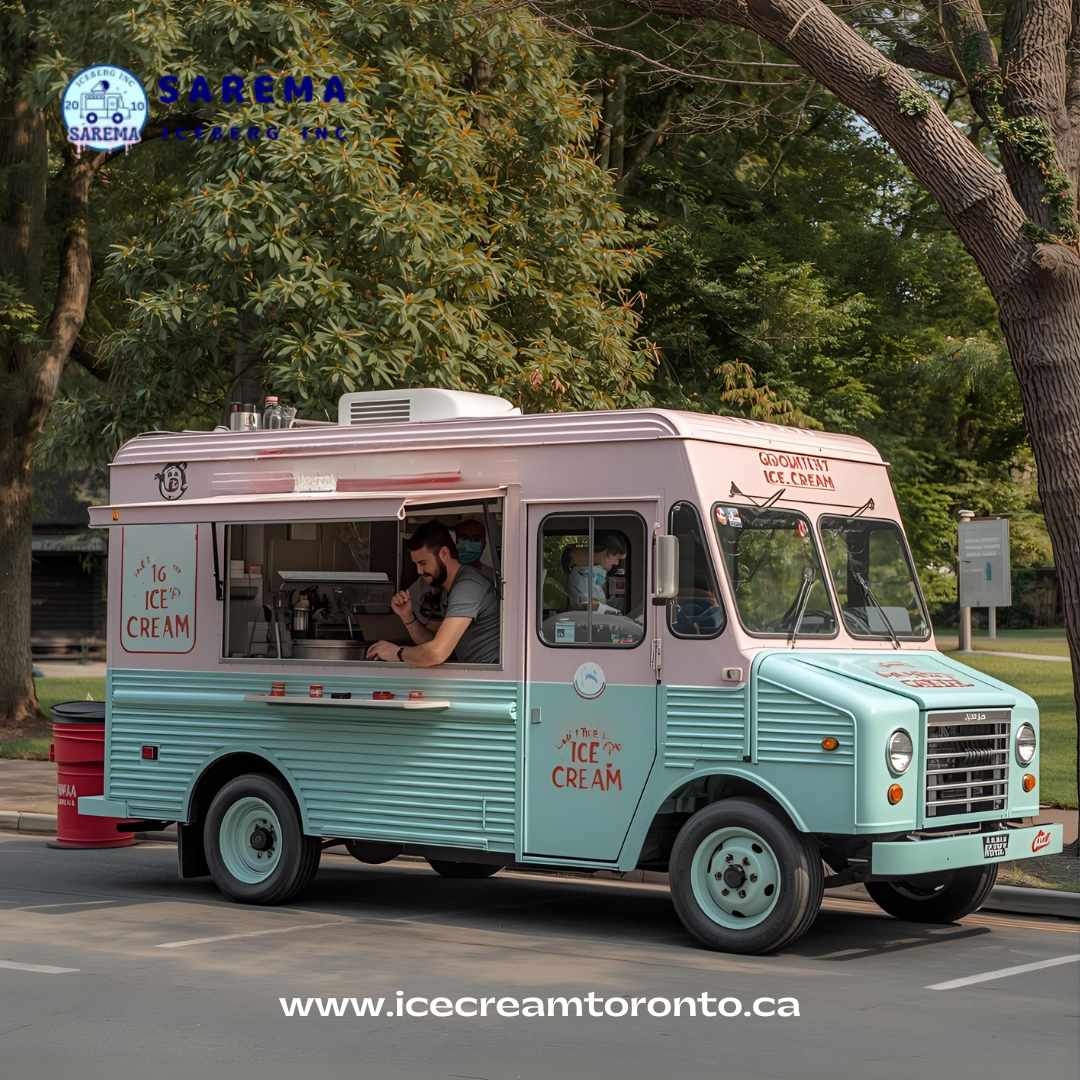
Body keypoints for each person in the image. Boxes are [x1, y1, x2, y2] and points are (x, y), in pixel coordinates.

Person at [366, 520, 499, 666]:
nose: (419, 571)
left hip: (493, 675)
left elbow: (436, 654)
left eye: (423, 563)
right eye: (416, 564)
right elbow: (434, 643)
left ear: (444, 554)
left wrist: (397, 653)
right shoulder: (457, 584)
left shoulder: (468, 587)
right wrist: (408, 617)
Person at [407, 519, 491, 630]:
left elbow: (439, 647)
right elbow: (412, 603)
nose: (468, 544)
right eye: (463, 538)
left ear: (484, 544)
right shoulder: (430, 577)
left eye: (476, 539)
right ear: (456, 541)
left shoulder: (489, 578)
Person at [564, 532, 627, 610]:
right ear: (608, 552)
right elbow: (594, 609)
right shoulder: (582, 578)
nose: (616, 563)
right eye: (617, 559)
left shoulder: (591, 574)